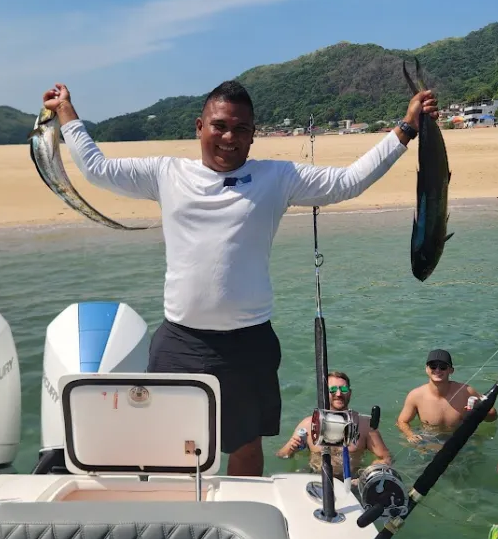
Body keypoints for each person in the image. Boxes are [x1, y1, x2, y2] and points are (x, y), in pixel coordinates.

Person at [43, 80, 438, 477]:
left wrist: (406, 128)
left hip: (248, 343)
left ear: (252, 135)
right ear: (200, 127)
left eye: (241, 129)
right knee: (170, 446)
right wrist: (65, 112)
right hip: (180, 341)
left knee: (246, 446)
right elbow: (98, 169)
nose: (229, 137)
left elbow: (347, 182)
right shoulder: (166, 173)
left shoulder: (276, 178)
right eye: (219, 126)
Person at [276, 371, 392, 478]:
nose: (339, 393)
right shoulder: (308, 424)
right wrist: (291, 448)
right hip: (317, 477)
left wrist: (365, 475)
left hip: (351, 481)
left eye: (344, 389)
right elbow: (282, 455)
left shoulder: (364, 425)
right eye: (332, 389)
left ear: (350, 393)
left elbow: (385, 457)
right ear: (324, 393)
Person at [395, 348, 497, 444]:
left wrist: (479, 409)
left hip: (461, 440)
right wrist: (410, 435)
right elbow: (402, 421)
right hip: (429, 442)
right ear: (426, 369)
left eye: (443, 366)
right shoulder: (416, 395)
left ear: (451, 370)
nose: (437, 370)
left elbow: (492, 417)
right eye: (433, 366)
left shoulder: (466, 391)